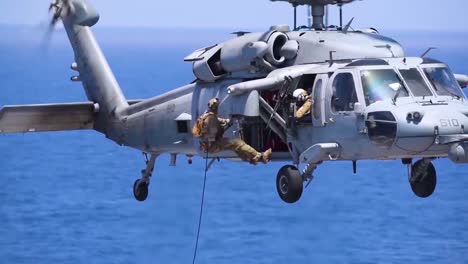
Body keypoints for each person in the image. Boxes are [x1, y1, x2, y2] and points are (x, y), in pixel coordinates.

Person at [192, 98, 272, 165]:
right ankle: (260, 156)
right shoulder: (211, 119)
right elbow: (215, 133)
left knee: (235, 147)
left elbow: (221, 121)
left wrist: (230, 121)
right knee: (237, 143)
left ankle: (251, 159)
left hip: (207, 144)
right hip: (213, 145)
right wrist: (226, 126)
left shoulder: (206, 116)